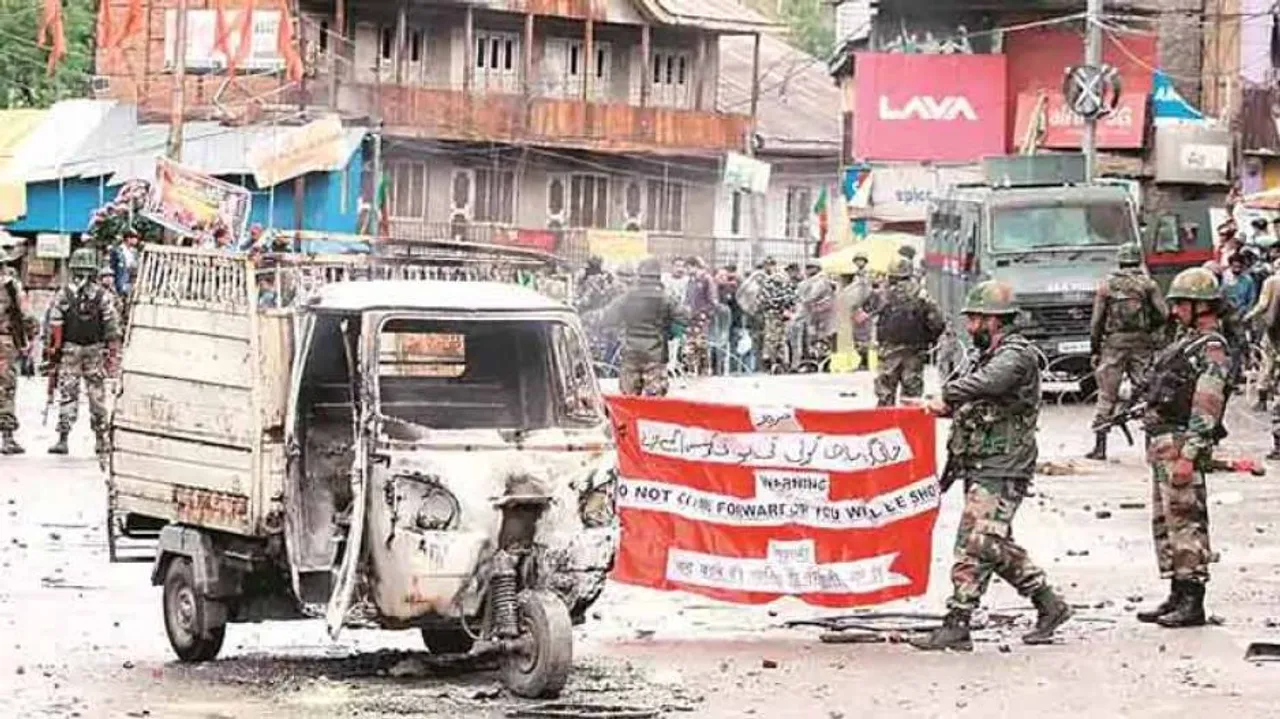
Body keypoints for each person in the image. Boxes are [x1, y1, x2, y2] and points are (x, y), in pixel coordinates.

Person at [911, 280, 1071, 651]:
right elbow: (975, 393)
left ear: (994, 320)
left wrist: (947, 395)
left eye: (975, 320)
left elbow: (989, 383)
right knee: (987, 542)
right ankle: (1039, 606)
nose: (970, 327)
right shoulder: (988, 354)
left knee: (977, 541)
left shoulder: (1015, 355)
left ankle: (969, 618)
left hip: (1003, 462)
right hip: (982, 460)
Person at [1136, 267, 1229, 628]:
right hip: (1164, 441)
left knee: (1186, 521)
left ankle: (1192, 600)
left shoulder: (1212, 349)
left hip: (1180, 442)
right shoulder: (1188, 343)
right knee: (1167, 521)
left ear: (1200, 306)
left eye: (1180, 305)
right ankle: (1177, 592)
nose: (1175, 312)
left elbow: (1207, 405)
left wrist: (1190, 454)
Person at [1086, 243, 1167, 460]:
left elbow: (1096, 323)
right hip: (1142, 343)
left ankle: (1100, 447)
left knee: (1106, 395)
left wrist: (1095, 349)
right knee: (1149, 393)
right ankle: (1152, 447)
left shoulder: (1106, 286)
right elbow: (1164, 313)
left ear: (1120, 260)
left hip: (1114, 344)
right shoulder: (1148, 285)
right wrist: (1150, 329)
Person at [46, 248, 123, 456]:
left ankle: (63, 438)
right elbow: (112, 327)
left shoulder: (64, 293)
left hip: (71, 349)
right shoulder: (103, 296)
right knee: (96, 394)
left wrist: (54, 349)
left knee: (68, 393)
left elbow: (55, 323)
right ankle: (100, 440)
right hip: (95, 350)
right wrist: (112, 354)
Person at [594, 257, 687, 397]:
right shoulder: (666, 298)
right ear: (658, 275)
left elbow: (607, 318)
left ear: (639, 274)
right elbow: (683, 318)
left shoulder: (627, 297)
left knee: (629, 401)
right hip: (656, 354)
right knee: (654, 403)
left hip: (631, 353)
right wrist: (669, 332)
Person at [861, 259, 944, 406]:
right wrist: (930, 339)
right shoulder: (921, 294)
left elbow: (866, 311)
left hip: (888, 349)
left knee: (885, 393)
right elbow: (937, 322)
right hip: (914, 350)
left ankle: (885, 425)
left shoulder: (883, 294)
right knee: (911, 397)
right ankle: (909, 425)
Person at [0, 251, 37, 455]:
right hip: (4, 341)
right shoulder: (11, 285)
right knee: (5, 387)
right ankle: (7, 438)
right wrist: (31, 336)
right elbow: (27, 314)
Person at [1247, 256, 1280, 411]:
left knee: (1267, 363)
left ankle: (1262, 400)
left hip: (1273, 329)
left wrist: (1248, 316)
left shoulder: (1271, 282)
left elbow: (1263, 304)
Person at [757, 259, 796, 373]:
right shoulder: (783, 280)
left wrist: (772, 305)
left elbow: (763, 299)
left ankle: (772, 360)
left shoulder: (768, 282)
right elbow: (791, 297)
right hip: (781, 313)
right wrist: (786, 306)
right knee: (779, 338)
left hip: (772, 313)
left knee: (772, 338)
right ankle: (780, 360)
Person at [682, 257, 719, 376]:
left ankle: (705, 370)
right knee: (690, 345)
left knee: (702, 345)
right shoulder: (691, 281)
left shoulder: (706, 280)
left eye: (688, 267)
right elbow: (688, 299)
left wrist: (704, 313)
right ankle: (691, 369)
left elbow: (713, 301)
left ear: (694, 266)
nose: (686, 271)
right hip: (690, 319)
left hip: (702, 318)